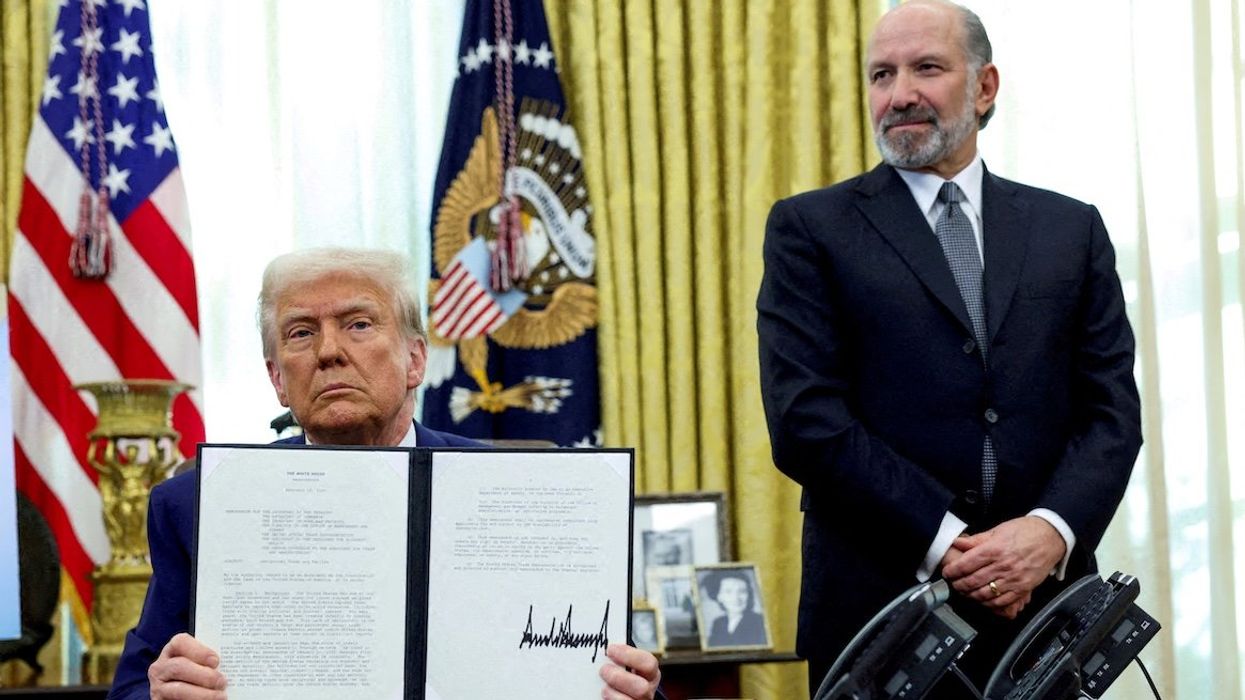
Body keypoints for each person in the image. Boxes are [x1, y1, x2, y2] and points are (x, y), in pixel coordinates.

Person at [756, 1, 1142, 694]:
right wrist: (947, 543)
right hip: (880, 616)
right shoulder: (809, 229)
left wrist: (1049, 532)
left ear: (984, 86)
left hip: (1046, 615)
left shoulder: (1070, 229)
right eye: (881, 74)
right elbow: (805, 420)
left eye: (925, 68)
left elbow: (1111, 413)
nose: (898, 93)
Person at [108, 247, 662, 700]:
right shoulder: (197, 505)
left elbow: (619, 677)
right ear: (278, 379)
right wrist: (161, 693)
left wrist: (632, 691)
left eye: (358, 324)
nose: (329, 352)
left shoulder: (526, 493)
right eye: (301, 333)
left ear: (416, 360)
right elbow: (131, 688)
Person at [701, 570, 767, 648]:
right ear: (719, 596)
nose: (736, 598)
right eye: (728, 592)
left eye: (742, 591)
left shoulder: (759, 621)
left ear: (749, 595)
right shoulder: (718, 623)